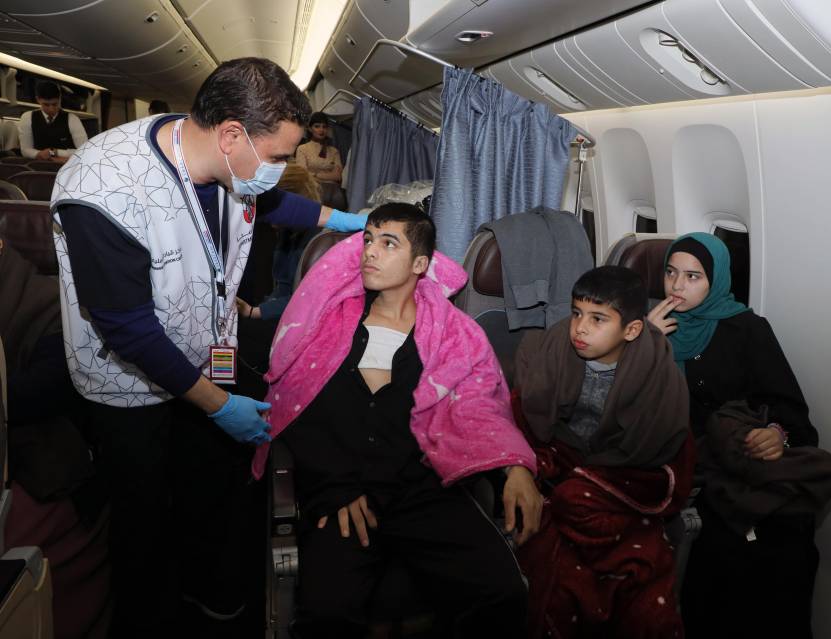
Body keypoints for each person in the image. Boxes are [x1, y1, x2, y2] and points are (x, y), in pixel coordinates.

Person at [50, 57, 367, 637]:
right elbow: (127, 330)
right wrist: (220, 406)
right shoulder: (103, 187)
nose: (281, 169)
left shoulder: (224, 164)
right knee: (143, 518)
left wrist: (344, 219)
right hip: (128, 385)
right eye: (278, 157)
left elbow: (272, 202)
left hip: (205, 356)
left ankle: (207, 602)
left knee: (205, 491)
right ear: (231, 135)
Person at [255, 202, 542, 638]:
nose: (370, 251)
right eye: (368, 240)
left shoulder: (453, 334)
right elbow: (296, 408)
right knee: (328, 616)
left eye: (389, 244)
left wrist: (515, 467)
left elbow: (479, 406)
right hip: (344, 492)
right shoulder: (326, 324)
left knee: (503, 593)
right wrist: (335, 486)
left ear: (420, 264)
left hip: (423, 489)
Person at [648, 233, 825, 639]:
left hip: (742, 455)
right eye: (671, 273)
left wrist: (775, 433)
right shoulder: (649, 328)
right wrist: (647, 346)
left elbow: (790, 408)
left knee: (789, 540)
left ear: (716, 280)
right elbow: (629, 406)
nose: (677, 286)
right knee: (724, 550)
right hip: (686, 464)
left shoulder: (747, 330)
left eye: (693, 276)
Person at [513, 265, 692, 639]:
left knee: (576, 504)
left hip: (622, 470)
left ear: (631, 330)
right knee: (555, 562)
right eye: (576, 313)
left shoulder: (656, 371)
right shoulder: (555, 347)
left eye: (598, 319)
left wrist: (590, 478)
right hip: (566, 457)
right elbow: (527, 411)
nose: (580, 328)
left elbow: (657, 443)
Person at [235, 163, 322, 322]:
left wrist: (255, 312)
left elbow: (307, 299)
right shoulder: (288, 232)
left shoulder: (318, 243)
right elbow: (282, 286)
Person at [18, 80, 87, 161]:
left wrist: (54, 152)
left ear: (60, 99)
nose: (51, 109)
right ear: (38, 99)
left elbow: (84, 150)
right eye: (46, 105)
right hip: (38, 164)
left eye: (55, 104)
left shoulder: (72, 119)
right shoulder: (27, 117)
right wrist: (41, 155)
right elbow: (25, 150)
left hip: (66, 166)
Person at [295, 110, 345, 209]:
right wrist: (329, 175)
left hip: (333, 194)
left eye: (324, 127)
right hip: (311, 191)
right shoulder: (303, 149)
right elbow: (303, 174)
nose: (321, 130)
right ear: (310, 129)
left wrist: (315, 174)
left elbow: (338, 176)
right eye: (317, 126)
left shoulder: (334, 151)